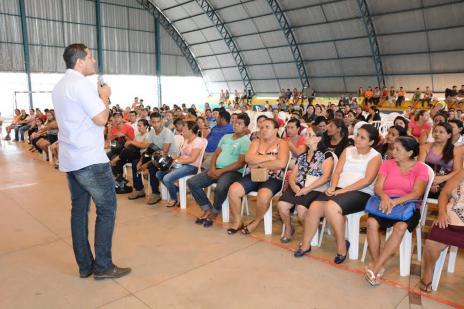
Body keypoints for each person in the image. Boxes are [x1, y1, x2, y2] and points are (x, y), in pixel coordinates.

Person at [52, 43, 130, 279]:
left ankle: (85, 266)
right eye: (90, 56)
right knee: (107, 210)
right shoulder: (80, 84)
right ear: (80, 61)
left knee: (79, 211)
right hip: (90, 160)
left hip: (71, 159)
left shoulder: (60, 86)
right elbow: (100, 118)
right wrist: (105, 97)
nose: (93, 60)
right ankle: (104, 266)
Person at [294, 124, 381, 263]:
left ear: (371, 142)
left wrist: (342, 190)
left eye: (363, 138)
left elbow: (367, 180)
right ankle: (305, 244)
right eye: (357, 135)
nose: (357, 139)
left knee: (331, 207)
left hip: (360, 192)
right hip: (339, 188)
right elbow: (337, 172)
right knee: (315, 207)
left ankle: (342, 246)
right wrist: (333, 187)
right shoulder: (348, 150)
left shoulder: (375, 156)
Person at [364, 137, 429, 286]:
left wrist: (395, 202)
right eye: (393, 148)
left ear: (410, 152)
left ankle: (376, 268)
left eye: (398, 149)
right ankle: (377, 264)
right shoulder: (387, 164)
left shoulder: (421, 168)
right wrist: (385, 197)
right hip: (385, 202)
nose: (393, 152)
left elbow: (417, 193)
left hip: (407, 206)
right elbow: (378, 187)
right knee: (371, 222)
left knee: (400, 227)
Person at [227, 118, 289, 234]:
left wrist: (258, 162)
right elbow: (248, 159)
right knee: (233, 190)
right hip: (254, 174)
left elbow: (281, 163)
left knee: (263, 196)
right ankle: (238, 221)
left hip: (273, 178)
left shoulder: (282, 143)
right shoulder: (256, 142)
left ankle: (256, 221)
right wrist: (270, 158)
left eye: (267, 127)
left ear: (276, 130)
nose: (263, 130)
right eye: (261, 127)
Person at [187, 113, 251, 227]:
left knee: (221, 186)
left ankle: (215, 210)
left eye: (239, 123)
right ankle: (207, 208)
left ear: (246, 127)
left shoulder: (246, 141)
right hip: (216, 168)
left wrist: (220, 172)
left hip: (234, 172)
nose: (235, 125)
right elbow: (216, 153)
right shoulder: (226, 137)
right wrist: (212, 167)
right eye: (235, 122)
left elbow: (241, 163)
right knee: (192, 182)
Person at [278, 133, 334, 243]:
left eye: (310, 135)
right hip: (299, 186)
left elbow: (326, 177)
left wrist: (307, 189)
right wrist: (293, 186)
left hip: (316, 188)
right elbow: (293, 174)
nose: (306, 137)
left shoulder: (326, 154)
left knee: (301, 208)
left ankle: (308, 232)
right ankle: (289, 228)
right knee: (282, 205)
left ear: (318, 138)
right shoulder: (302, 155)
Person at [420, 170, 464, 292]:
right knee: (432, 242)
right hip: (450, 218)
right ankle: (428, 273)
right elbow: (444, 193)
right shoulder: (462, 173)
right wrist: (442, 213)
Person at [156, 121, 205, 208]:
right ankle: (179, 191)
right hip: (182, 164)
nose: (183, 129)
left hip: (192, 166)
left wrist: (177, 161)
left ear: (191, 130)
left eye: (185, 127)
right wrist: (173, 157)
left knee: (167, 178)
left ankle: (174, 198)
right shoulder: (186, 140)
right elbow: (180, 155)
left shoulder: (198, 141)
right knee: (159, 174)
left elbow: (192, 159)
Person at [133, 112, 176, 204]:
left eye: (158, 122)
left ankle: (156, 193)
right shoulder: (152, 132)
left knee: (152, 167)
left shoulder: (167, 132)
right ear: (151, 123)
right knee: (135, 163)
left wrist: (146, 164)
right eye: (154, 122)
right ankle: (139, 189)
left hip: (168, 159)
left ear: (162, 121)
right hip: (156, 156)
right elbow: (149, 148)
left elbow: (164, 153)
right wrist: (141, 161)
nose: (156, 124)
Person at [419, 122, 462, 199]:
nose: (437, 134)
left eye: (441, 132)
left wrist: (443, 178)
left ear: (449, 135)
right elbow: (420, 168)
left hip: (447, 180)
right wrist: (430, 182)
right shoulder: (424, 147)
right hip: (426, 179)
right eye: (435, 131)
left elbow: (458, 170)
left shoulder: (456, 150)